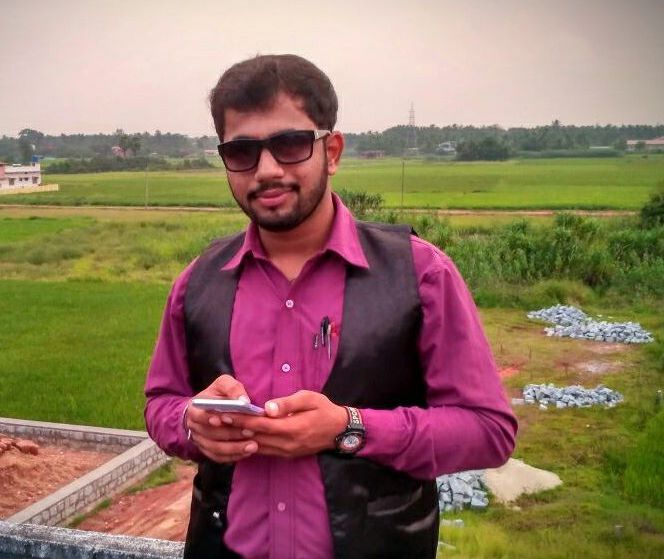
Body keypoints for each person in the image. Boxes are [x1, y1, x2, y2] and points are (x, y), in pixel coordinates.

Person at [145, 54, 517, 559]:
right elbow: (161, 403)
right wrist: (193, 422)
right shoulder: (199, 281)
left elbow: (488, 430)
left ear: (332, 150)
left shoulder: (420, 274)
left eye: (290, 144)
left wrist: (348, 427)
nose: (267, 170)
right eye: (242, 152)